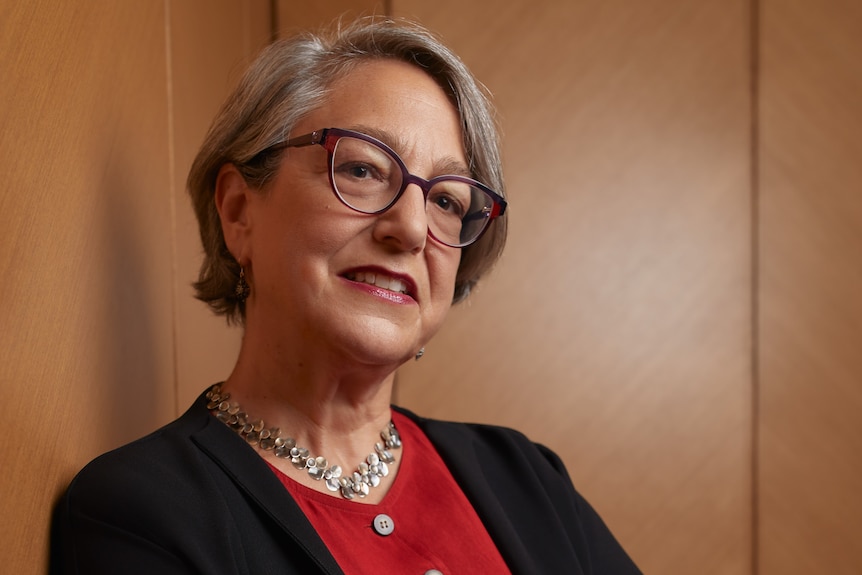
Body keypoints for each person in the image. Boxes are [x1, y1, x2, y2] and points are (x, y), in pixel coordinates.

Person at [51, 17, 641, 575]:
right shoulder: (142, 512)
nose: (409, 229)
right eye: (361, 169)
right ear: (238, 211)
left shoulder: (525, 479)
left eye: (446, 201)